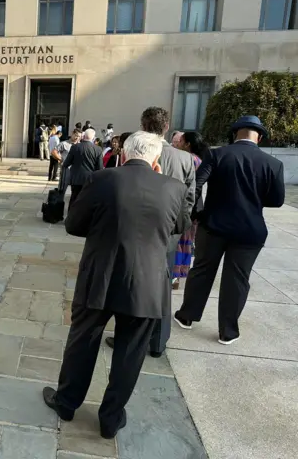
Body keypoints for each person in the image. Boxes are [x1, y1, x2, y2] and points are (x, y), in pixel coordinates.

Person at [43, 131, 190, 439]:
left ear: (123, 154)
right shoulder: (174, 188)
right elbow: (179, 226)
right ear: (156, 160)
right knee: (130, 353)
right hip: (147, 284)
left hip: (101, 276)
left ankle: (67, 402)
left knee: (82, 342)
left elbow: (73, 224)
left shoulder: (103, 179)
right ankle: (110, 419)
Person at [174, 116, 285, 345]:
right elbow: (276, 200)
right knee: (237, 279)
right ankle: (228, 331)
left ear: (235, 134)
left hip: (214, 224)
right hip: (250, 230)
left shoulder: (217, 154)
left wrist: (197, 212)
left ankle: (187, 316)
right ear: (260, 137)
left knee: (202, 270)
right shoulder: (273, 164)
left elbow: (196, 184)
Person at [105, 107, 195, 357]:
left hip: (128, 233)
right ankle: (157, 342)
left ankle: (126, 337)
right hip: (167, 235)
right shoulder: (184, 159)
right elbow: (190, 201)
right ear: (167, 128)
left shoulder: (131, 152)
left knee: (127, 284)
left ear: (142, 125)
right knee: (161, 287)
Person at [172, 132, 209, 289]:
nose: (177, 144)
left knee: (179, 241)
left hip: (185, 205)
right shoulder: (200, 160)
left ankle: (174, 275)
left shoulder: (188, 159)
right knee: (187, 242)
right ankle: (180, 274)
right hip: (195, 207)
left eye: (180, 141)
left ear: (187, 144)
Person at [63, 128, 103, 210]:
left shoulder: (75, 147)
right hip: (90, 179)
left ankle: (71, 218)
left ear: (83, 136)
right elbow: (99, 168)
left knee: (74, 198)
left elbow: (66, 163)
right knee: (87, 200)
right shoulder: (98, 149)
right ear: (93, 137)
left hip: (76, 178)